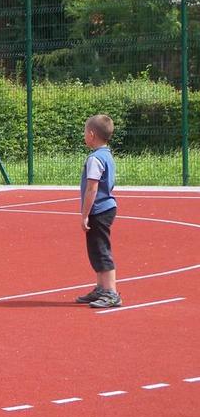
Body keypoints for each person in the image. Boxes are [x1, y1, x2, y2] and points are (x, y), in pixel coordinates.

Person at [76, 114, 120, 308]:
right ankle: (102, 288)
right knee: (96, 249)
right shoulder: (107, 155)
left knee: (101, 250)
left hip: (99, 209)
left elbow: (92, 188)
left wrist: (85, 214)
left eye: (85, 132)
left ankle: (111, 292)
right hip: (105, 208)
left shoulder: (95, 159)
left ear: (92, 135)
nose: (84, 135)